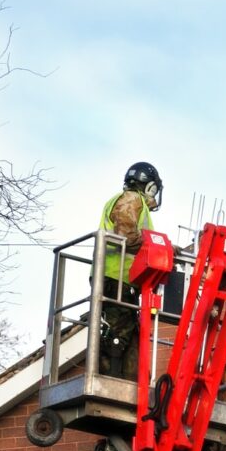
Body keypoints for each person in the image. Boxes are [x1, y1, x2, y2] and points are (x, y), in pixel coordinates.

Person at [98, 161, 163, 378]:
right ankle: (109, 379)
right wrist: (157, 246)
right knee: (119, 334)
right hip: (117, 277)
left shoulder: (123, 201)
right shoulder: (132, 199)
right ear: (150, 187)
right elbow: (125, 234)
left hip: (120, 279)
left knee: (131, 335)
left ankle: (127, 382)